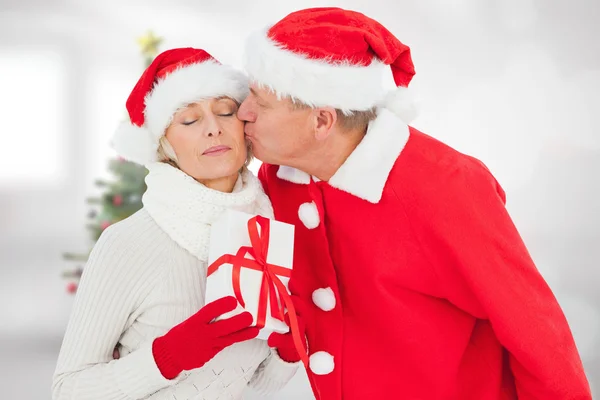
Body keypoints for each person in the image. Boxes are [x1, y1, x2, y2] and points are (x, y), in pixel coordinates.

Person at [237, 7, 592, 400]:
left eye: (260, 103)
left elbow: (536, 334)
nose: (243, 113)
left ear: (322, 122)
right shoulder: (277, 177)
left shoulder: (448, 188)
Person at [52, 47, 298, 400]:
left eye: (225, 111)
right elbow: (68, 390)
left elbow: (247, 383)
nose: (213, 129)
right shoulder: (128, 244)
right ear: (165, 146)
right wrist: (165, 358)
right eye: (189, 120)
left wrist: (287, 352)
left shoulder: (264, 237)